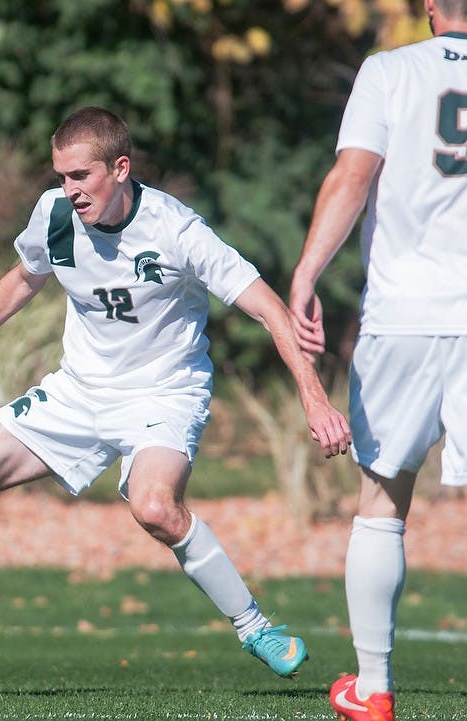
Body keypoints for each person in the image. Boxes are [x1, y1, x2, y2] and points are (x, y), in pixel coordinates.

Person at [0, 106, 352, 698]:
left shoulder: (176, 229)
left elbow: (269, 309)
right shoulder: (53, 215)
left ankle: (255, 628)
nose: (68, 191)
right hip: (77, 391)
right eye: (61, 177)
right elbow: (24, 279)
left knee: (154, 506)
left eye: (80, 176)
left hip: (164, 392)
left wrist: (315, 400)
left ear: (119, 168)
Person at [288, 2, 467, 719]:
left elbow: (352, 176)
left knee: (383, 500)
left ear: (429, 10)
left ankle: (373, 687)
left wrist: (304, 274)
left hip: (408, 312)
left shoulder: (390, 69)